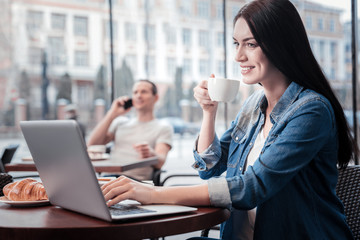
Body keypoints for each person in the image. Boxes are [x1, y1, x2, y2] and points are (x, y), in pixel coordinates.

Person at [101, 0, 359, 239]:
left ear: (282, 44)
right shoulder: (252, 105)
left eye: (251, 44)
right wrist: (208, 112)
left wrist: (152, 193)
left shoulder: (311, 110)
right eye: (237, 43)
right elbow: (209, 166)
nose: (238, 57)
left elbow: (251, 188)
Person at [87, 80, 173, 181]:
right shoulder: (120, 122)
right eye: (135, 92)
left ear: (156, 98)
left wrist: (151, 154)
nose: (138, 95)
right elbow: (92, 144)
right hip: (107, 178)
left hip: (134, 181)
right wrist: (112, 114)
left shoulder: (163, 128)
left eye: (144, 92)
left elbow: (160, 162)